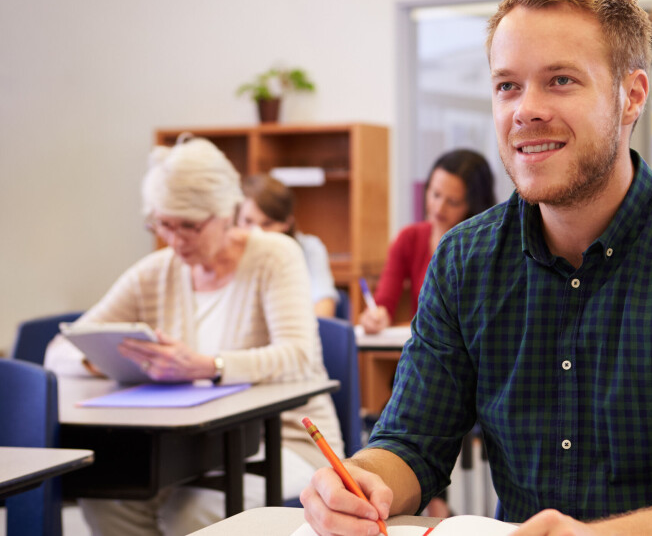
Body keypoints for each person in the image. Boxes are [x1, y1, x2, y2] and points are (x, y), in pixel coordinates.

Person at [301, 0, 652, 535]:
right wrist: (362, 482)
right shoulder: (464, 260)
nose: (526, 110)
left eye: (561, 80)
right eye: (507, 86)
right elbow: (410, 441)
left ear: (631, 96)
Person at [45, 135, 343, 535]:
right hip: (182, 450)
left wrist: (210, 366)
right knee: (110, 502)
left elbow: (298, 355)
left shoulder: (275, 255)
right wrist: (108, 357)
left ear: (227, 214)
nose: (176, 239)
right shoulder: (155, 271)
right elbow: (60, 348)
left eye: (190, 226)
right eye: (164, 224)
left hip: (281, 441)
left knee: (190, 516)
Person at [358, 148, 495, 334]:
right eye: (435, 194)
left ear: (474, 206)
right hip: (426, 351)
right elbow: (384, 303)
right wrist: (376, 317)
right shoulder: (409, 239)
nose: (439, 208)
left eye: (453, 201)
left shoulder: (488, 244)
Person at [238, 174, 340, 318]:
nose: (256, 233)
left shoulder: (308, 249)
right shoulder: (228, 253)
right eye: (248, 222)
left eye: (267, 224)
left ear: (286, 223)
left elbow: (323, 309)